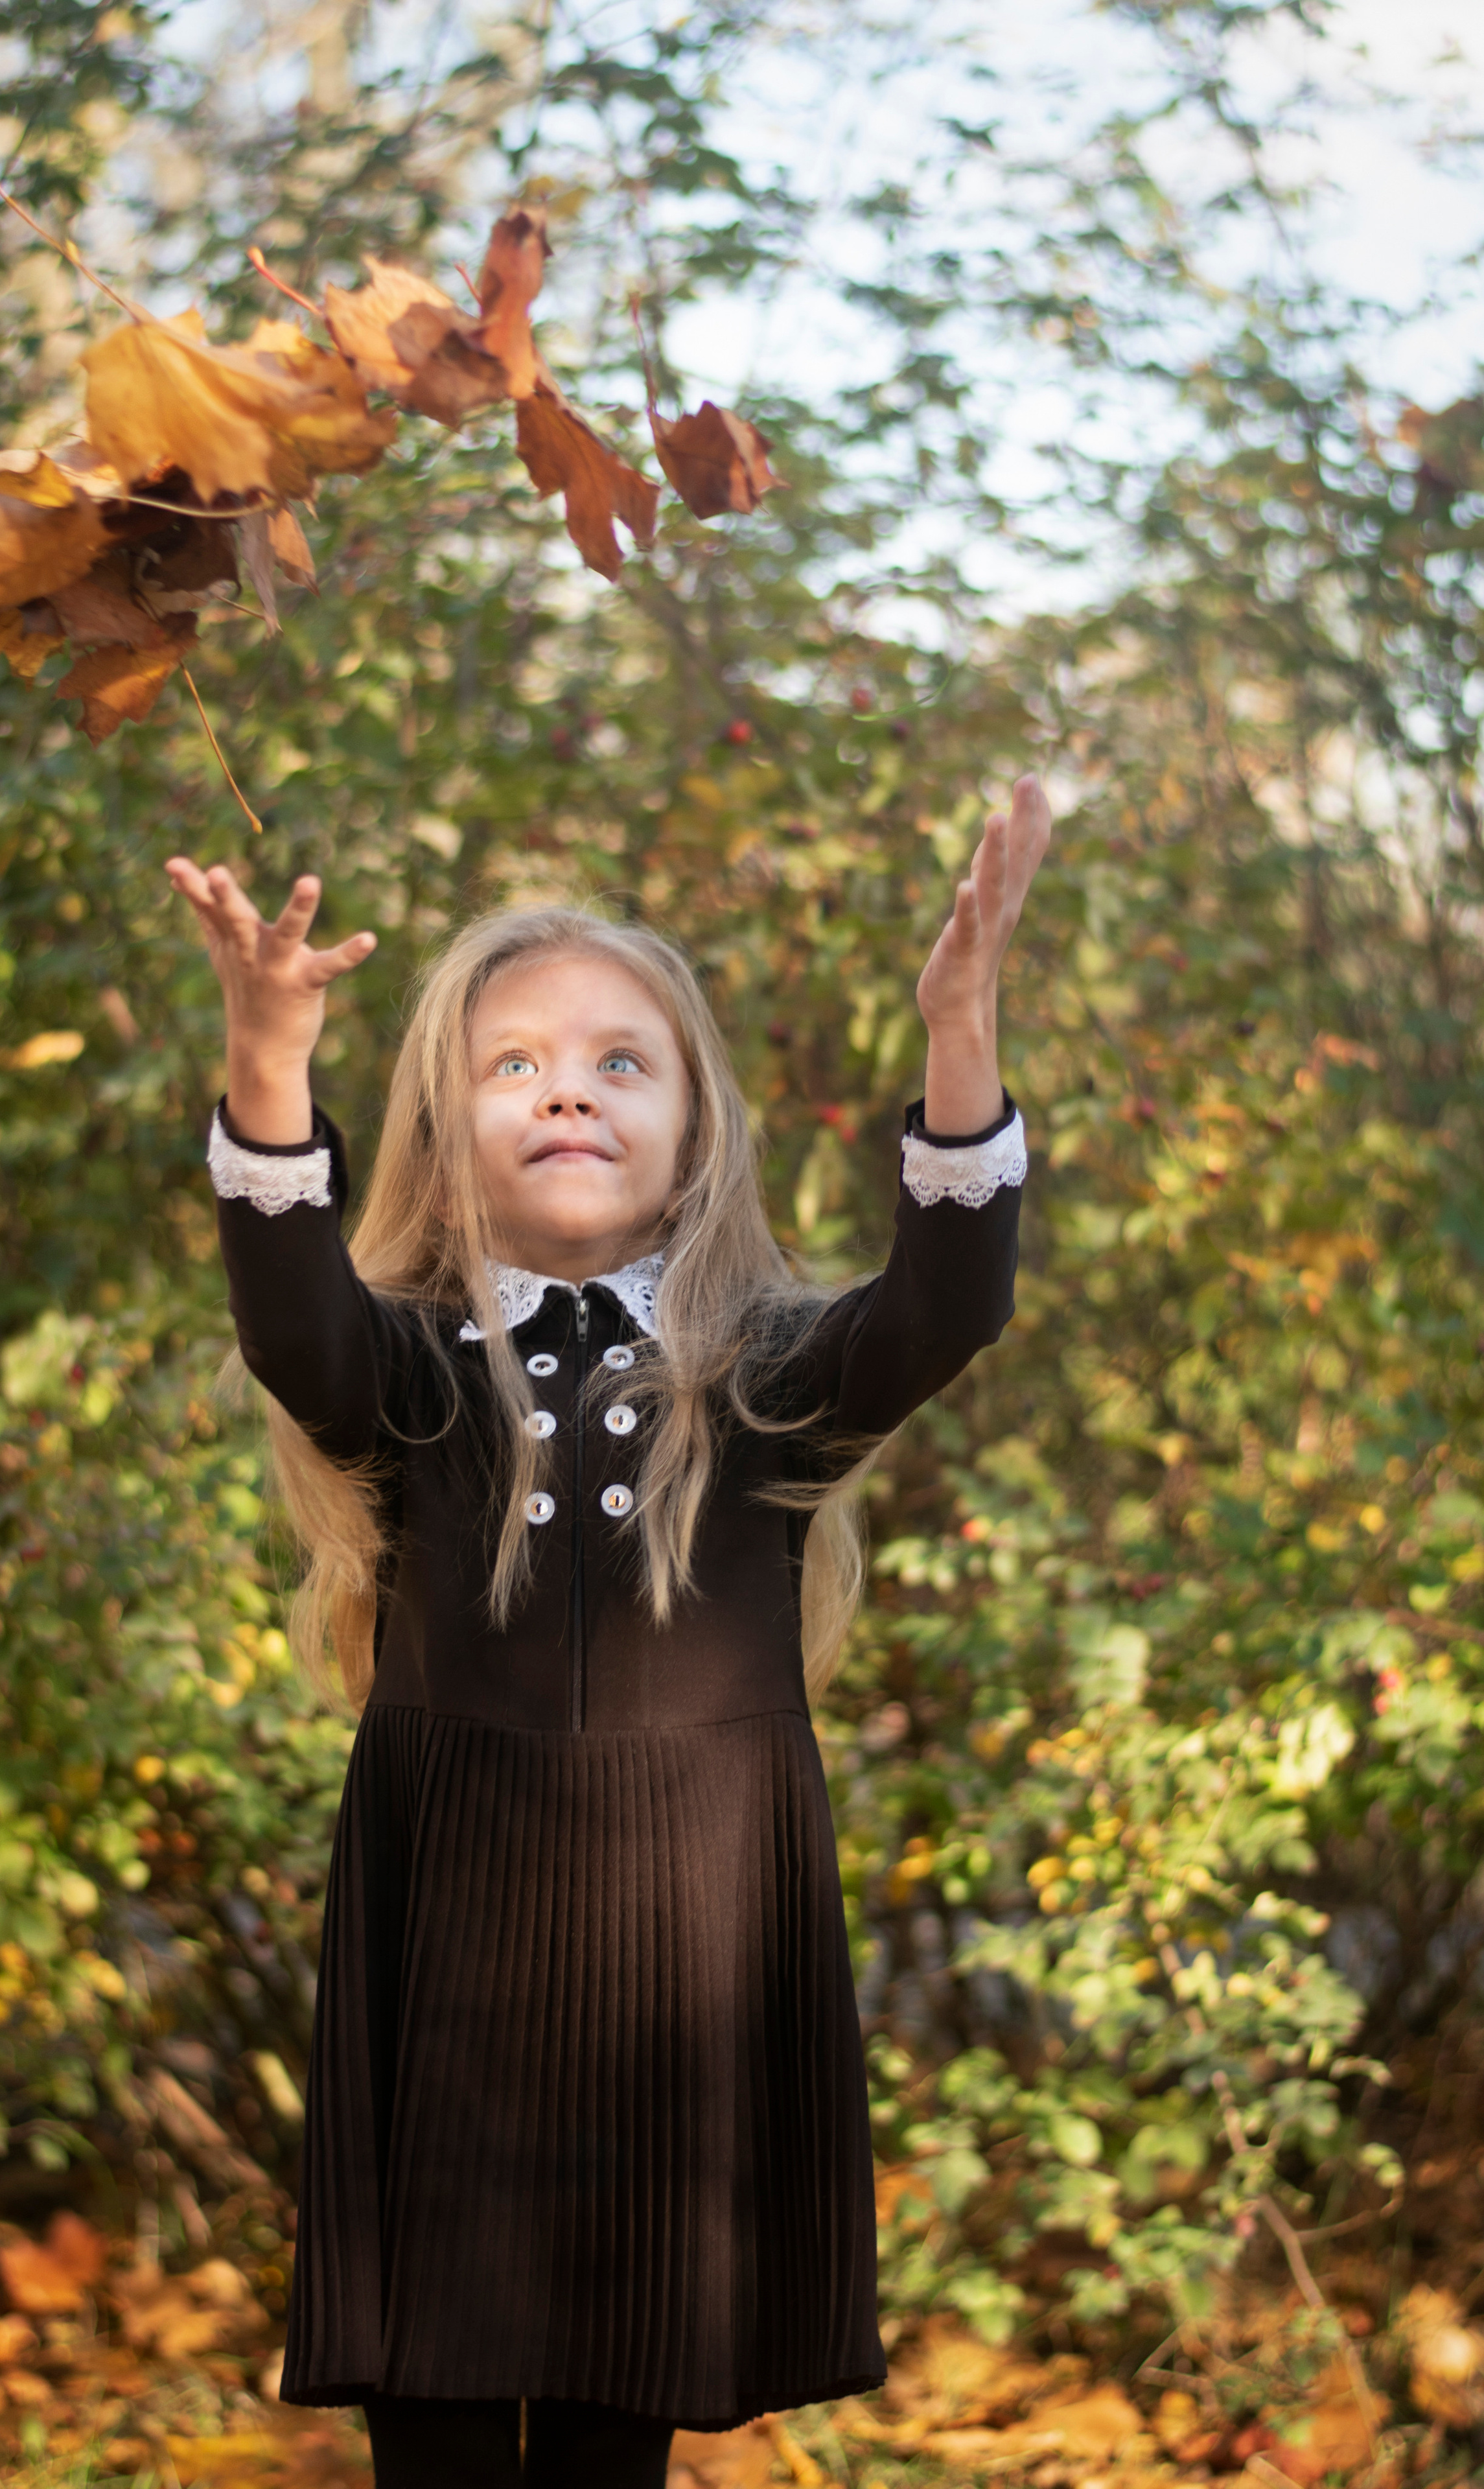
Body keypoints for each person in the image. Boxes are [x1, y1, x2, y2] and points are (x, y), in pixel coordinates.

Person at [165, 773, 1049, 2488]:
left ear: (695, 1134)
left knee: (611, 2392)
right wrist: (268, 1066)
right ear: (448, 1125)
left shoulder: (768, 1376)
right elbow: (295, 1328)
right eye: (518, 1064)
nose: (571, 1084)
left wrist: (962, 1024)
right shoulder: (415, 1373)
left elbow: (951, 1302)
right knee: (431, 2377)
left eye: (620, 1061)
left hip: (687, 1926)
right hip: (456, 1921)